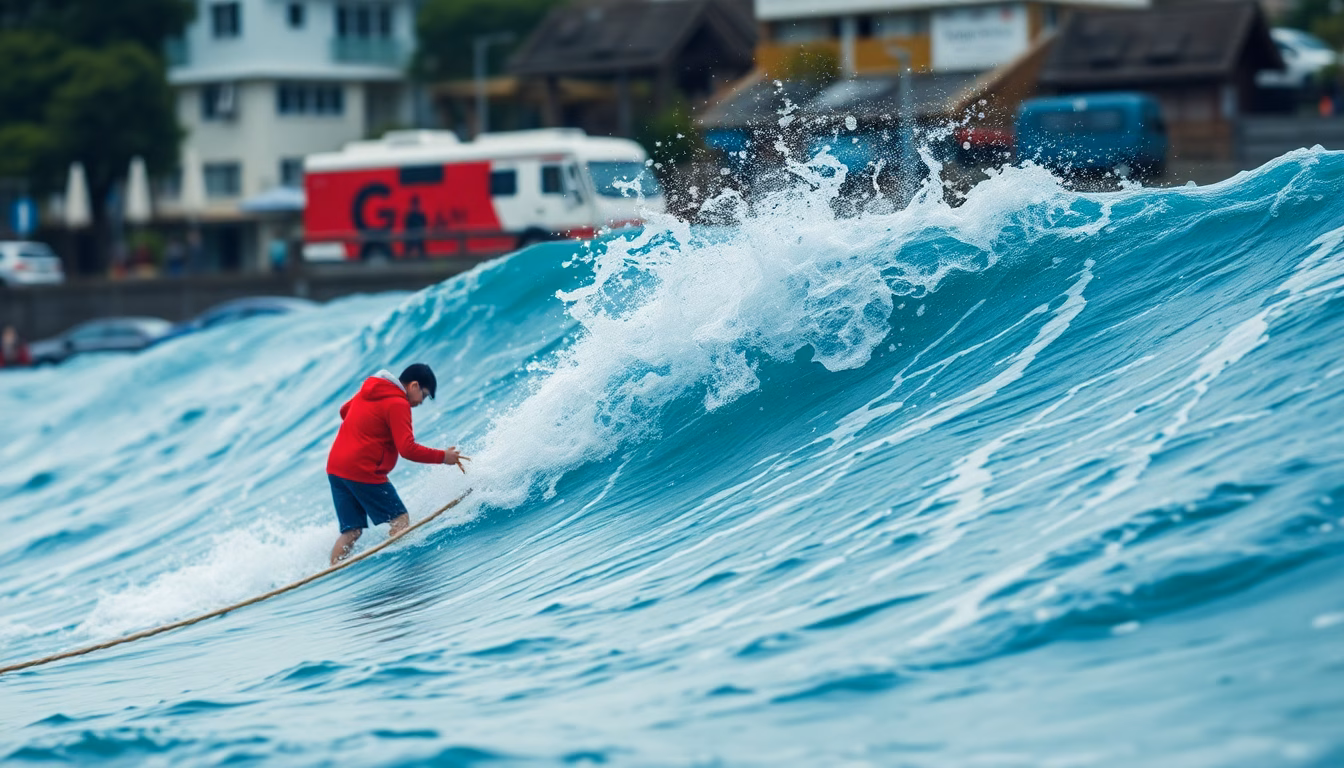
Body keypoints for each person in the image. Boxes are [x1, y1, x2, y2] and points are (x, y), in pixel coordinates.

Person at [326, 363, 468, 564]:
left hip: (336, 467)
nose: (421, 402)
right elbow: (408, 449)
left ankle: (333, 571)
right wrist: (443, 457)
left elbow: (344, 411)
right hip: (362, 470)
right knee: (400, 520)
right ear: (414, 386)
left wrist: (368, 428)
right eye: (425, 396)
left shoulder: (370, 390)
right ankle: (401, 571)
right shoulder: (397, 403)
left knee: (352, 531)